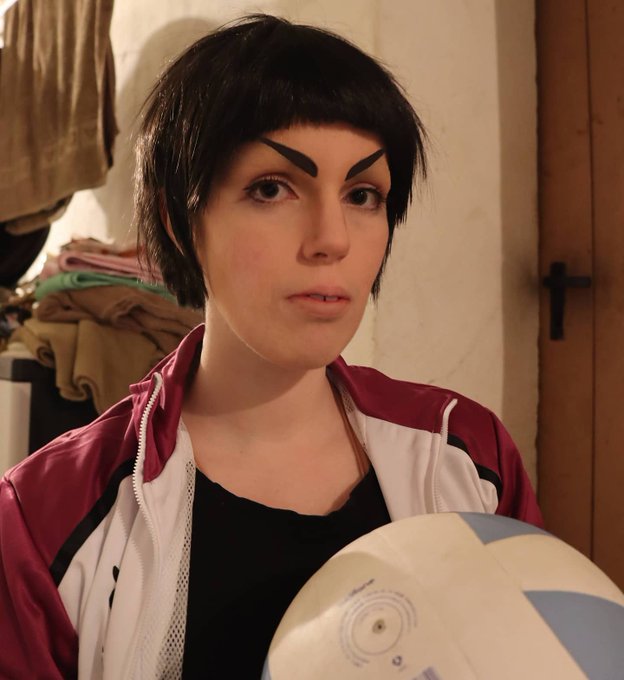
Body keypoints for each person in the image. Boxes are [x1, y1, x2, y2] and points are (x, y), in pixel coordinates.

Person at [0, 14, 542, 679]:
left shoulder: (467, 458)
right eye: (271, 189)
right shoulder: (46, 516)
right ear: (179, 220)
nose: (332, 238)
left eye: (363, 195)